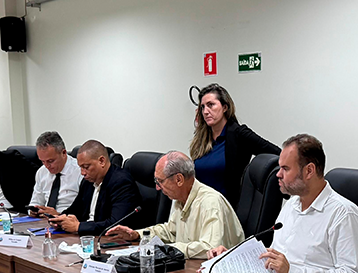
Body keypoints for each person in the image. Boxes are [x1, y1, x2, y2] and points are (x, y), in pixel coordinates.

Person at [208, 134, 358, 273]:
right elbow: (276, 258)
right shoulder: (292, 204)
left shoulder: (344, 214)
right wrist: (232, 257)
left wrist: (292, 272)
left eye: (285, 168)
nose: (278, 174)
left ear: (309, 171)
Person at [106, 150, 245, 259]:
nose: (157, 188)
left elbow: (210, 248)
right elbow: (170, 232)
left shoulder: (210, 202)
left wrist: (169, 249)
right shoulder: (181, 198)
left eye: (160, 181)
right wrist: (137, 234)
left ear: (179, 179)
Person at [189, 83, 280, 208]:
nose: (205, 111)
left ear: (225, 107)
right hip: (201, 206)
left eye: (211, 105)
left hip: (226, 208)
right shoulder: (202, 138)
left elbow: (279, 154)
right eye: (202, 107)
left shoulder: (239, 134)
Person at [49, 140, 142, 235]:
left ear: (102, 161)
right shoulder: (88, 181)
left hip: (109, 239)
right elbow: (75, 209)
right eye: (80, 167)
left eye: (86, 167)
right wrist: (60, 219)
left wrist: (78, 227)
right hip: (88, 237)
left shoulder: (121, 182)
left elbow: (116, 224)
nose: (82, 173)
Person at [28, 131, 82, 216]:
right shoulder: (41, 172)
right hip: (44, 220)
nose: (47, 166)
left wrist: (57, 214)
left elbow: (84, 210)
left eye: (50, 161)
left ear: (63, 153)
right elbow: (36, 202)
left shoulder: (80, 171)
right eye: (43, 161)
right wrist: (33, 211)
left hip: (68, 219)